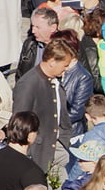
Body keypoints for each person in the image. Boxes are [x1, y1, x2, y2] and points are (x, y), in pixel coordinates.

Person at [12, 38, 75, 173]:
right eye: (65, 65)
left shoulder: (54, 80)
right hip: (37, 154)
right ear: (52, 62)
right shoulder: (28, 84)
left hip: (57, 148)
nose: (67, 69)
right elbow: (20, 123)